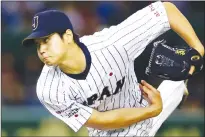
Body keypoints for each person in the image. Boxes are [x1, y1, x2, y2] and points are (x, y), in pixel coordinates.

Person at [22, 1, 204, 136]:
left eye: (46, 40)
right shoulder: (49, 89)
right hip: (111, 130)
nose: (42, 49)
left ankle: (178, 84)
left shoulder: (112, 43)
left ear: (67, 36)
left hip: (142, 106)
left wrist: (198, 48)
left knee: (179, 74)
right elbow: (101, 121)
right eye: (38, 44)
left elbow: (165, 10)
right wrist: (151, 111)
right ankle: (178, 85)